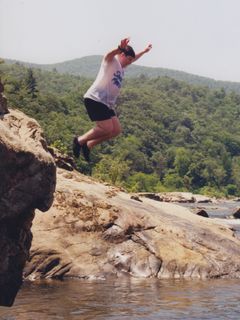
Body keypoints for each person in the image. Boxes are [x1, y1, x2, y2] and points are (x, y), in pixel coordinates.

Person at [73, 37, 152, 161]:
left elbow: (133, 57)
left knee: (116, 130)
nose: (130, 62)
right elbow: (109, 54)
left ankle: (89, 145)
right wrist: (119, 48)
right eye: (128, 59)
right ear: (122, 54)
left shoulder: (122, 67)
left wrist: (144, 51)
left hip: (107, 104)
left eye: (131, 60)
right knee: (107, 128)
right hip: (95, 98)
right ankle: (79, 141)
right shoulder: (112, 61)